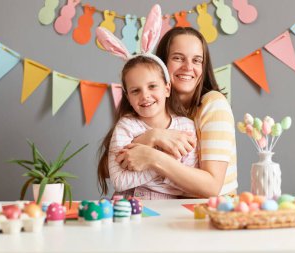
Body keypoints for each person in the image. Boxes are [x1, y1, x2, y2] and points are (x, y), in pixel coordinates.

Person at [116, 27, 238, 198]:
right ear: (162, 65)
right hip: (172, 209)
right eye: (178, 58)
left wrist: (152, 157)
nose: (188, 67)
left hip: (214, 211)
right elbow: (120, 164)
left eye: (197, 60)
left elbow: (211, 187)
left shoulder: (213, 104)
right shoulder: (151, 107)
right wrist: (153, 137)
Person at [96, 5, 198, 200]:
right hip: (127, 206)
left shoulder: (185, 127)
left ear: (167, 88)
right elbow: (119, 181)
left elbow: (187, 183)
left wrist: (150, 159)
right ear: (127, 96)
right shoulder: (126, 126)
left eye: (152, 86)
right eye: (135, 90)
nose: (145, 96)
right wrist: (162, 162)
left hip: (170, 210)